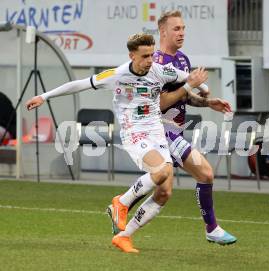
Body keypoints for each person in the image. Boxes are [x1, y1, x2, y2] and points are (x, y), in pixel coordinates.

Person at [25, 33, 209, 253]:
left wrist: (204, 89)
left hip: (156, 131)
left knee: (164, 192)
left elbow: (186, 77)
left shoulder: (159, 70)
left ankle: (124, 236)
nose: (150, 60)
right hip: (134, 132)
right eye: (144, 56)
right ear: (132, 55)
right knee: (160, 173)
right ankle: (121, 203)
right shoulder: (118, 75)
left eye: (152, 55)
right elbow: (80, 84)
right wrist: (44, 97)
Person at [110, 10, 237, 245]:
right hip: (162, 131)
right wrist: (189, 85)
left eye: (183, 28)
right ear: (163, 32)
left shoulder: (182, 60)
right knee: (206, 173)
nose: (181, 33)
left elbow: (183, 97)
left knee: (164, 192)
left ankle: (123, 234)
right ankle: (212, 228)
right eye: (176, 29)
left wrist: (208, 102)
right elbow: (159, 103)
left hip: (175, 132)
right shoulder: (155, 63)